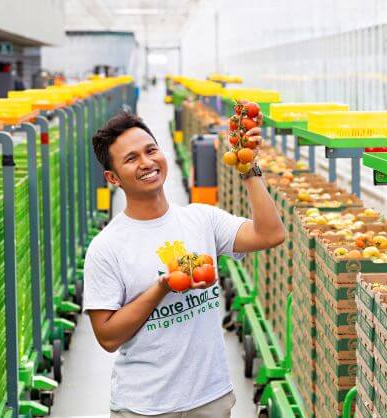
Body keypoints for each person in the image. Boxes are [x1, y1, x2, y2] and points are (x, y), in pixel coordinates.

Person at [84, 111, 286, 417]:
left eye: (151, 150)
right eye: (131, 159)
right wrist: (162, 287)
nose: (147, 163)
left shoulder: (201, 219)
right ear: (113, 178)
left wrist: (249, 170)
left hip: (209, 399)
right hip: (144, 406)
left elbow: (270, 234)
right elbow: (108, 337)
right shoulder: (107, 247)